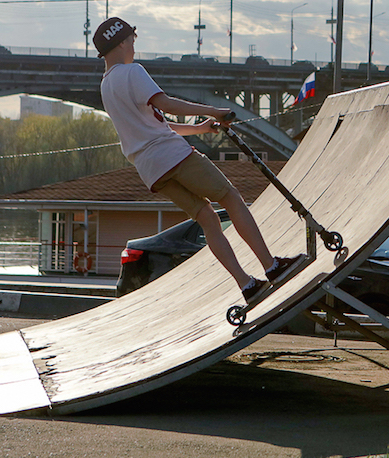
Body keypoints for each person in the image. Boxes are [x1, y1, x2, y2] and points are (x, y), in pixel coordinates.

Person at [93, 16, 299, 302]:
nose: (134, 49)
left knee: (207, 219)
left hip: (151, 171)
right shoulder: (132, 72)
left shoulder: (106, 86)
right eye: (132, 42)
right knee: (231, 197)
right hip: (173, 155)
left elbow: (155, 123)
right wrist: (214, 111)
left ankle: (247, 285)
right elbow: (165, 104)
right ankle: (272, 266)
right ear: (122, 42)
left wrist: (200, 128)